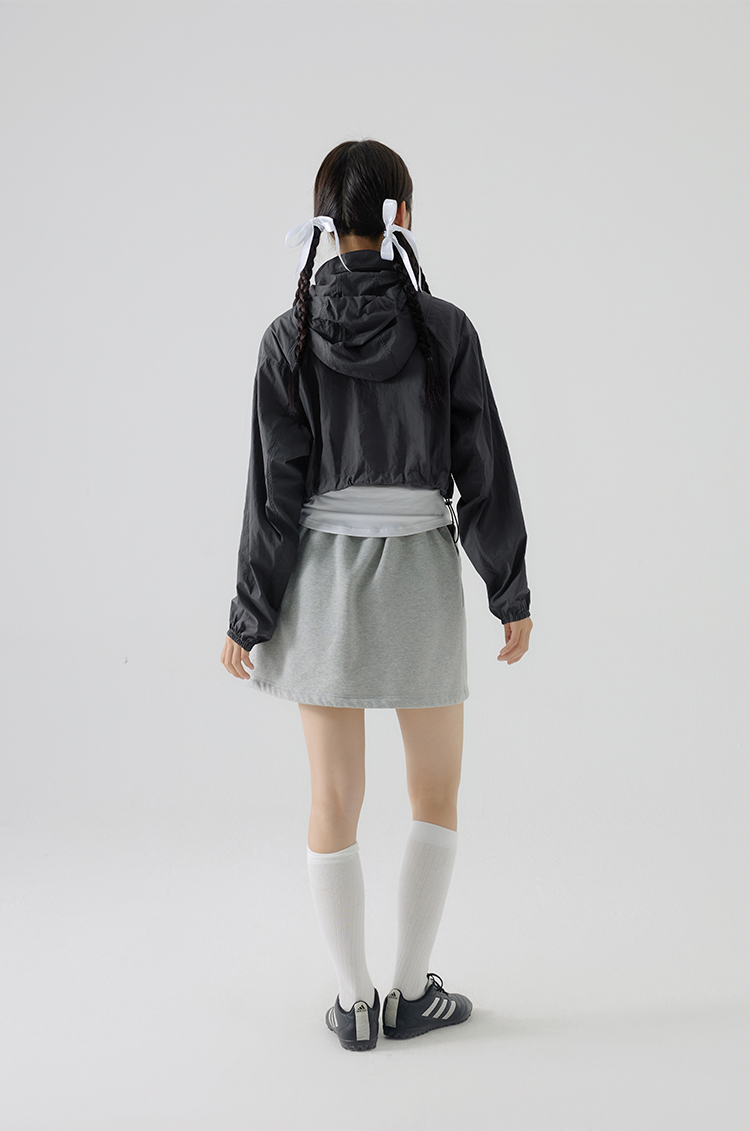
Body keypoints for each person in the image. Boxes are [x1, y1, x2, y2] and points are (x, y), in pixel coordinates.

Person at [220, 139, 533, 1052]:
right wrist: (509, 587)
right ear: (403, 216)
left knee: (333, 795)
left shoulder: (286, 337)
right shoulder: (445, 329)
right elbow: (481, 468)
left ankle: (354, 1002)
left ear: (326, 222)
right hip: (421, 575)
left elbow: (274, 493)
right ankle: (408, 991)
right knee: (435, 791)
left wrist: (249, 613)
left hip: (321, 581)